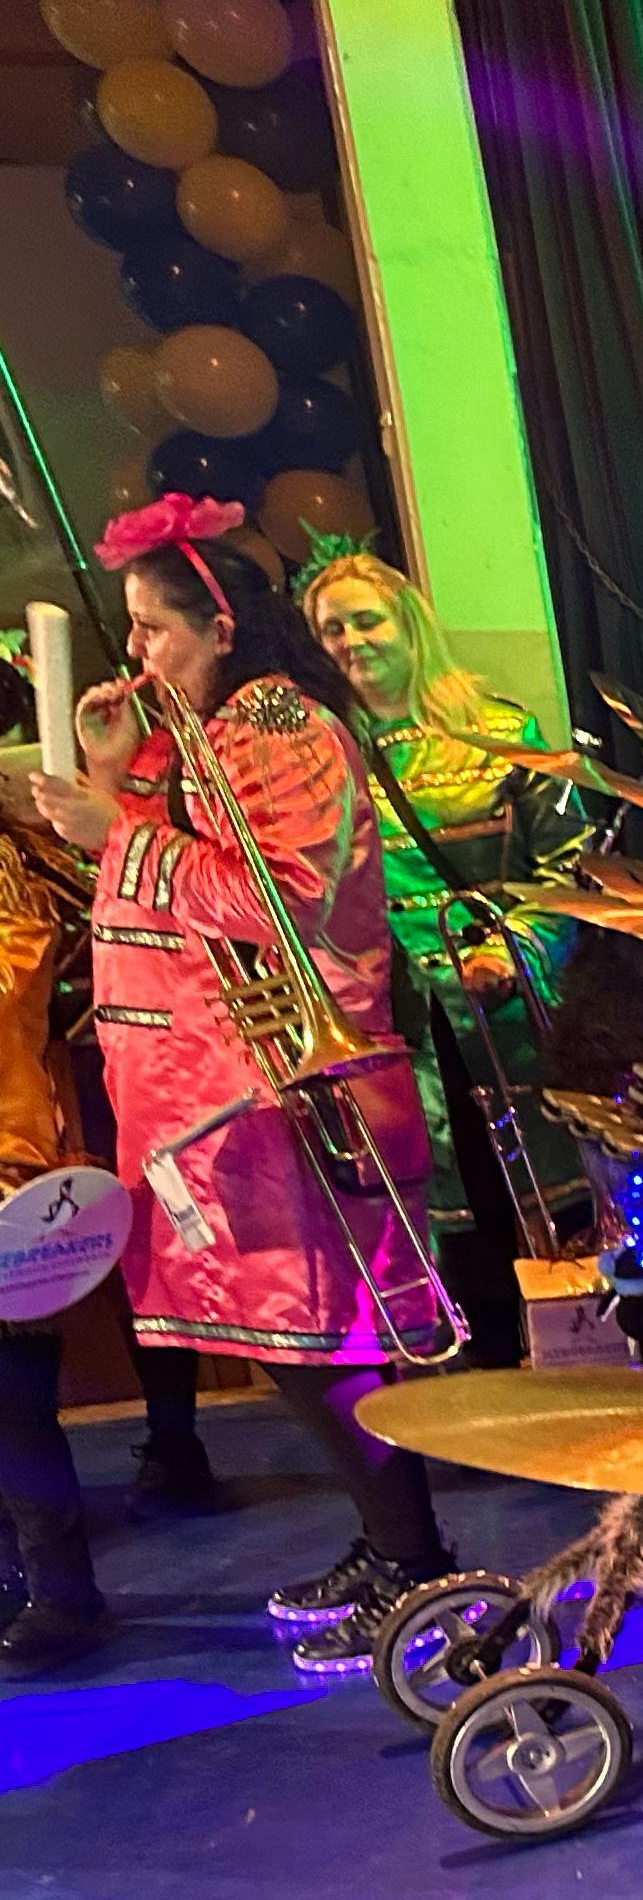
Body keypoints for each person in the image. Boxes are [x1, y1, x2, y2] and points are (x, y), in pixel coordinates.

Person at [23, 495, 465, 1670]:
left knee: (321, 1337)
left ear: (219, 626)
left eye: (153, 627)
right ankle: (391, 1540)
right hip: (208, 1097)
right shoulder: (205, 731)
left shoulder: (278, 722)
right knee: (287, 1341)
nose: (135, 650)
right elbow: (178, 881)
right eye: (127, 625)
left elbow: (282, 900)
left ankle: (417, 1559)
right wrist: (118, 780)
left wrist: (118, 825)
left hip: (280, 1085)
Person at [297, 541, 586, 1303]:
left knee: (554, 1216)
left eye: (367, 621)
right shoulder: (316, 756)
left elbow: (572, 870)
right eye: (331, 630)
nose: (352, 641)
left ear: (409, 625)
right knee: (450, 1232)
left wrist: (513, 951)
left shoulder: (501, 732)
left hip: (507, 1017)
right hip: (394, 1027)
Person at [0, 809, 104, 1663]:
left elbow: (17, 986)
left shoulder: (10, 868)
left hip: (6, 1156)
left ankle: (61, 1590)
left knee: (14, 1405)